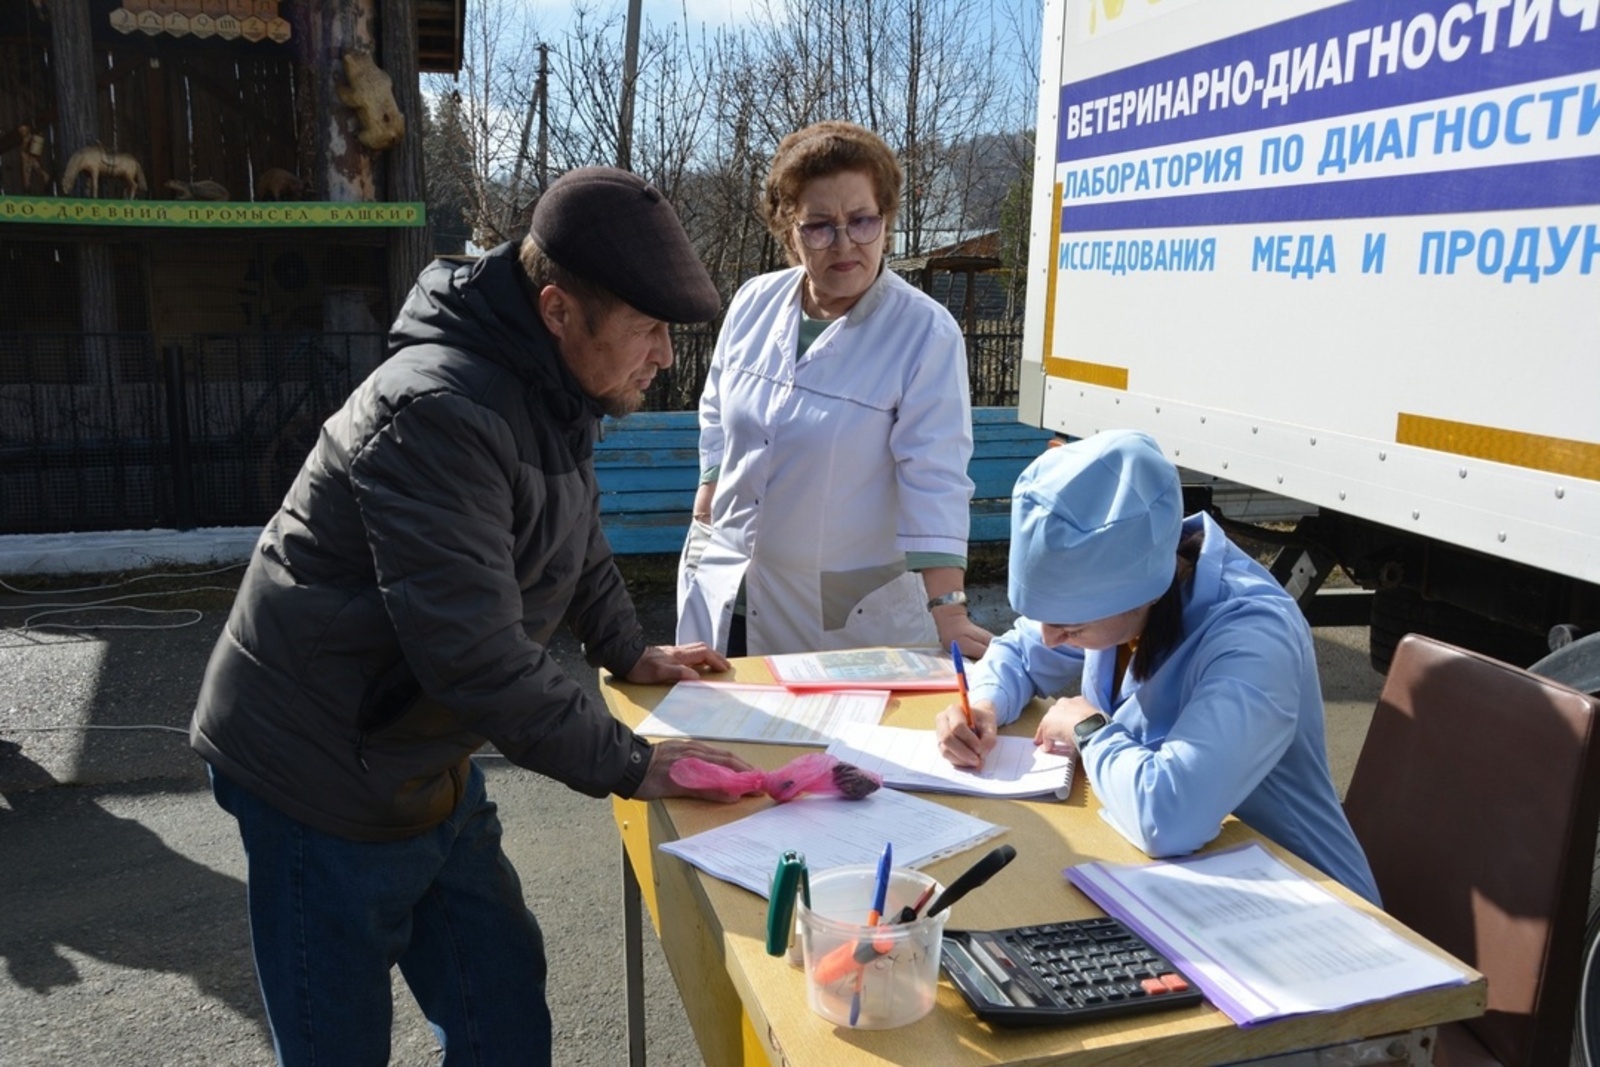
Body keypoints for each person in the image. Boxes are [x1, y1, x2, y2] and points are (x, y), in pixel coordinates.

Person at [190, 166, 758, 1067]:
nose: (665, 355)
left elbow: (574, 532)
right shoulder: (439, 412)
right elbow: (478, 658)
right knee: (337, 1043)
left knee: (501, 1003)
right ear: (558, 308)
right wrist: (634, 763)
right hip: (318, 770)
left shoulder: (547, 387)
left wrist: (627, 646)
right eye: (648, 329)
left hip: (422, 755)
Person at [936, 429, 1380, 904]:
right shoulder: (1132, 593)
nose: (1049, 637)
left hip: (1316, 909)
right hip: (1197, 888)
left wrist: (1089, 731)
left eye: (1069, 628)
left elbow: (1168, 816)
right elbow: (1021, 651)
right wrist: (983, 704)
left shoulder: (1252, 638)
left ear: (1140, 591)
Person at [675, 120, 992, 658]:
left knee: (824, 742)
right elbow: (716, 406)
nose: (844, 243)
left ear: (886, 220)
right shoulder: (754, 301)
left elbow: (934, 479)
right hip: (724, 582)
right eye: (819, 226)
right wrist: (709, 485)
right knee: (715, 734)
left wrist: (951, 612)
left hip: (843, 616)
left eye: (862, 220)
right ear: (789, 231)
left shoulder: (924, 332)